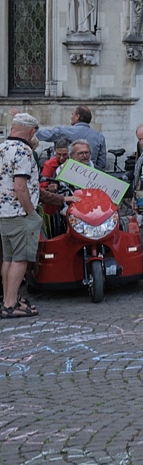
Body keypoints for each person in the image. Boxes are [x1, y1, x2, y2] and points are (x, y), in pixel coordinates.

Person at [2, 114, 75, 318]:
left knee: (8, 258)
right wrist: (31, 212)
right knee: (20, 259)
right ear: (32, 131)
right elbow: (21, 186)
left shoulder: (3, 148)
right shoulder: (24, 151)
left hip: (5, 213)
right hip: (20, 213)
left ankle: (10, 298)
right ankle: (10, 304)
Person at [35, 105, 107, 170]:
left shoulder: (63, 131)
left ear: (77, 116)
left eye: (72, 114)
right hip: (89, 177)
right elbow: (102, 163)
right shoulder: (100, 137)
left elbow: (41, 135)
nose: (71, 117)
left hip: (64, 175)